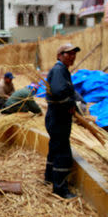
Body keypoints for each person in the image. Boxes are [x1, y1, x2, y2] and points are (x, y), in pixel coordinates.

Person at [44, 43, 81, 199]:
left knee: (55, 147)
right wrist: (70, 104)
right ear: (59, 56)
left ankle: (49, 177)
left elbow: (66, 91)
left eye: (74, 54)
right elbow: (59, 91)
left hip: (56, 117)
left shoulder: (61, 70)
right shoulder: (59, 70)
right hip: (59, 117)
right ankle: (60, 189)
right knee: (63, 153)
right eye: (68, 53)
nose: (72, 56)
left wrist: (78, 103)